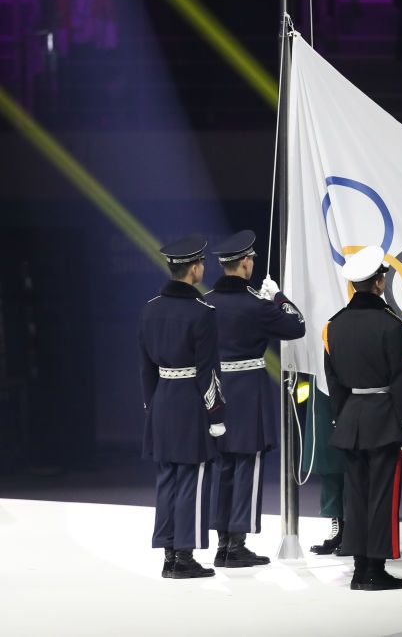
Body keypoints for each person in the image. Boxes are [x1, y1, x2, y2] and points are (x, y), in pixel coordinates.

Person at [205, 230, 306, 567]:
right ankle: (236, 544)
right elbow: (297, 326)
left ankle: (222, 542)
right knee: (247, 465)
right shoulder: (257, 305)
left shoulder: (204, 302)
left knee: (222, 467)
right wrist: (277, 297)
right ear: (246, 263)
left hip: (213, 391)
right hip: (247, 391)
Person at [323, 246, 402, 591]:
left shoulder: (334, 326)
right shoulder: (391, 325)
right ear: (378, 282)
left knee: (356, 496)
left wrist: (342, 420)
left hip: (351, 419)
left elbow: (333, 381)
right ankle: (374, 569)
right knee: (381, 496)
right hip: (383, 419)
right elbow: (400, 381)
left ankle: (359, 568)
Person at [139, 234, 226, 579]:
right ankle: (185, 556)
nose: (203, 268)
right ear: (193, 268)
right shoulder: (202, 313)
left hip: (162, 399)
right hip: (190, 401)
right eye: (201, 263)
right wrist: (216, 414)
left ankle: (168, 553)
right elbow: (208, 371)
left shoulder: (149, 309)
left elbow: (144, 368)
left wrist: (152, 406)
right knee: (192, 476)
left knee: (167, 479)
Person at [304, 384, 347, 556]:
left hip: (352, 378)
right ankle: (338, 524)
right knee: (329, 459)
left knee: (355, 463)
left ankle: (356, 530)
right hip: (322, 383)